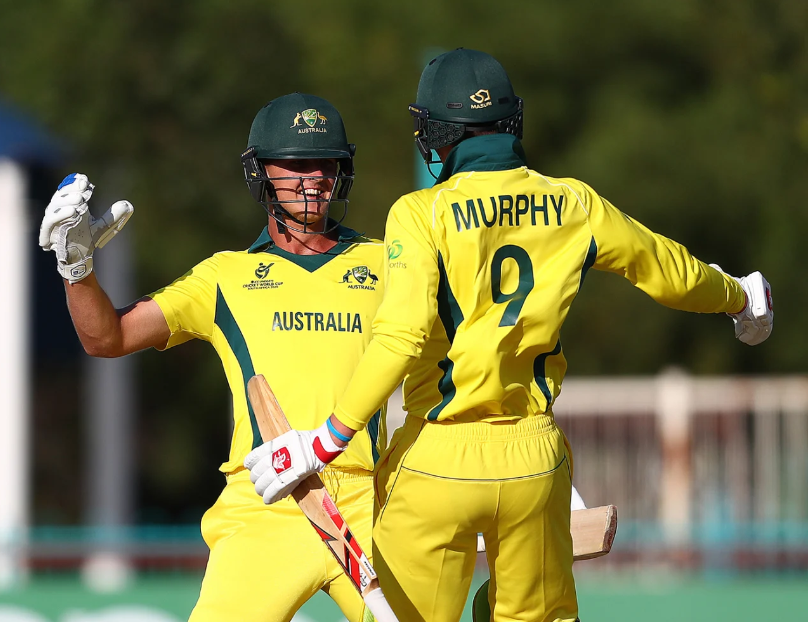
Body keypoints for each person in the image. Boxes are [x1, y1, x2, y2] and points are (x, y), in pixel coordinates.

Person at [244, 49, 774, 622]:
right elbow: (667, 271)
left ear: (437, 132)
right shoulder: (573, 201)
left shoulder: (422, 212)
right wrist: (740, 295)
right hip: (533, 461)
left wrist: (322, 441)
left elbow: (401, 337)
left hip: (434, 459)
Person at [39, 92, 388, 622]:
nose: (311, 177)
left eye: (324, 162)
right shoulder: (223, 275)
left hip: (371, 499)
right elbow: (105, 339)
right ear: (261, 173)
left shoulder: (389, 261)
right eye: (293, 163)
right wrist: (77, 266)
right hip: (266, 503)